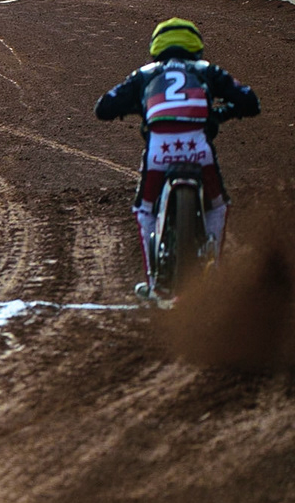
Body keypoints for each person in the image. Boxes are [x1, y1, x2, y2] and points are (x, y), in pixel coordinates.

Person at [94, 19, 259, 300]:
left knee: (144, 210)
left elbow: (103, 108)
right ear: (195, 47)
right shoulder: (207, 70)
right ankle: (215, 273)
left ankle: (154, 284)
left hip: (159, 150)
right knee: (218, 206)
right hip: (198, 146)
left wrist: (142, 107)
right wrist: (219, 114)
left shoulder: (144, 74)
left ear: (156, 47)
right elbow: (249, 101)